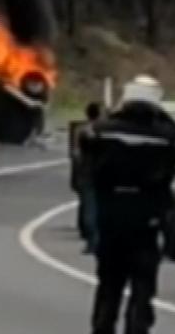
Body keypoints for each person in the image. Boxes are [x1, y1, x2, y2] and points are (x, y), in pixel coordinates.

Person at [84, 76, 175, 334]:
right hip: (147, 219)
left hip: (111, 217)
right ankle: (137, 327)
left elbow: (85, 145)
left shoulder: (102, 132)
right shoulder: (167, 137)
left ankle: (102, 327)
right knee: (143, 283)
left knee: (109, 283)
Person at [76, 102, 103, 254]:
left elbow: (78, 154)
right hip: (101, 174)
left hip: (88, 174)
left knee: (90, 208)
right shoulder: (105, 130)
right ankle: (97, 241)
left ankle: (93, 241)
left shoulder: (83, 130)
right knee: (98, 209)